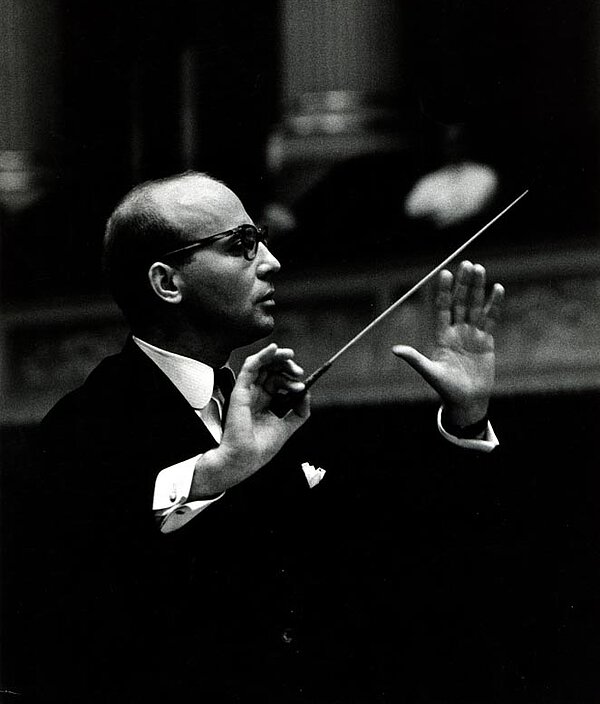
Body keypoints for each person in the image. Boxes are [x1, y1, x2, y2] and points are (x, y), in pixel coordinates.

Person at [12, 170, 504, 704]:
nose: (272, 262)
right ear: (167, 282)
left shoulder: (271, 406)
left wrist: (466, 415)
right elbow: (79, 602)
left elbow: (392, 560)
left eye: (263, 239)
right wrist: (218, 470)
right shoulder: (82, 426)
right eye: (243, 246)